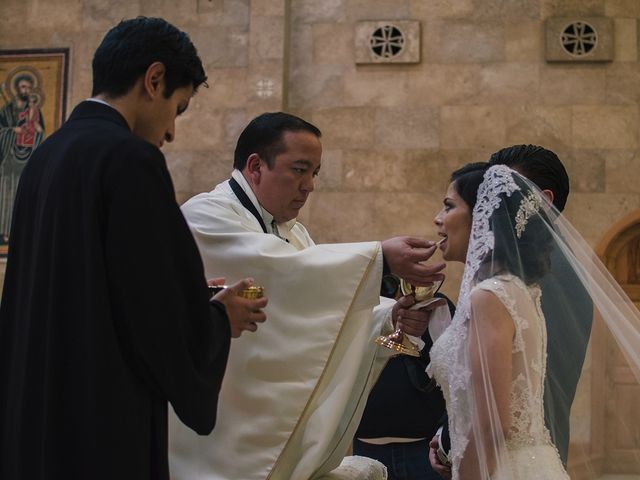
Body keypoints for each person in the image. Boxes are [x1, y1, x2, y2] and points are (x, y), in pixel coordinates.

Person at [0, 17, 267, 480]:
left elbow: (97, 284)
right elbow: (154, 311)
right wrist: (220, 317)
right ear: (154, 79)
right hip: (98, 422)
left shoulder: (46, 156)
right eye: (178, 109)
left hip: (35, 412)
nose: (171, 133)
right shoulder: (130, 159)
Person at [169, 111, 446, 480]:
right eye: (299, 169)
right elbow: (280, 274)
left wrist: (390, 320)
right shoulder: (205, 216)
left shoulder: (293, 233)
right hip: (221, 426)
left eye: (315, 172)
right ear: (255, 166)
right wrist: (379, 259)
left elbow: (322, 316)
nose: (310, 185)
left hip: (257, 421)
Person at [427, 162, 640, 479]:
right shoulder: (516, 289)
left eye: (448, 206)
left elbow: (494, 426)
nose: (438, 219)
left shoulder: (489, 296)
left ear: (484, 216)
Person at [0, 73, 45, 243]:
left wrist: (37, 130)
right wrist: (13, 131)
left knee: (27, 194)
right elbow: (1, 131)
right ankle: (5, 233)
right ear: (16, 89)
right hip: (9, 159)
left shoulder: (34, 111)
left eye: (28, 87)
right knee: (8, 195)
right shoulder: (6, 111)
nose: (25, 90)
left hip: (27, 159)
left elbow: (41, 135)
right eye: (22, 87)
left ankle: (25, 232)